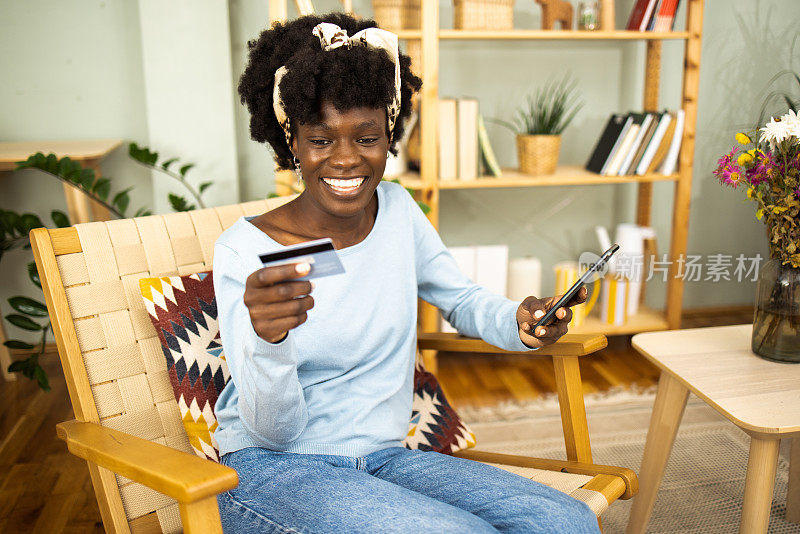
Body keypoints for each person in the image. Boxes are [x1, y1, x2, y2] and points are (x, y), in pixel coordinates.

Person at [212, 12, 597, 534]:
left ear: (389, 135)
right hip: (274, 472)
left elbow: (460, 299)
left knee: (564, 520)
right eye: (321, 140)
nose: (346, 160)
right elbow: (272, 434)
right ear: (292, 143)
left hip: (385, 457)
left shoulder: (397, 211)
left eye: (366, 138)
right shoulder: (245, 250)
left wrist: (522, 321)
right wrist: (268, 340)